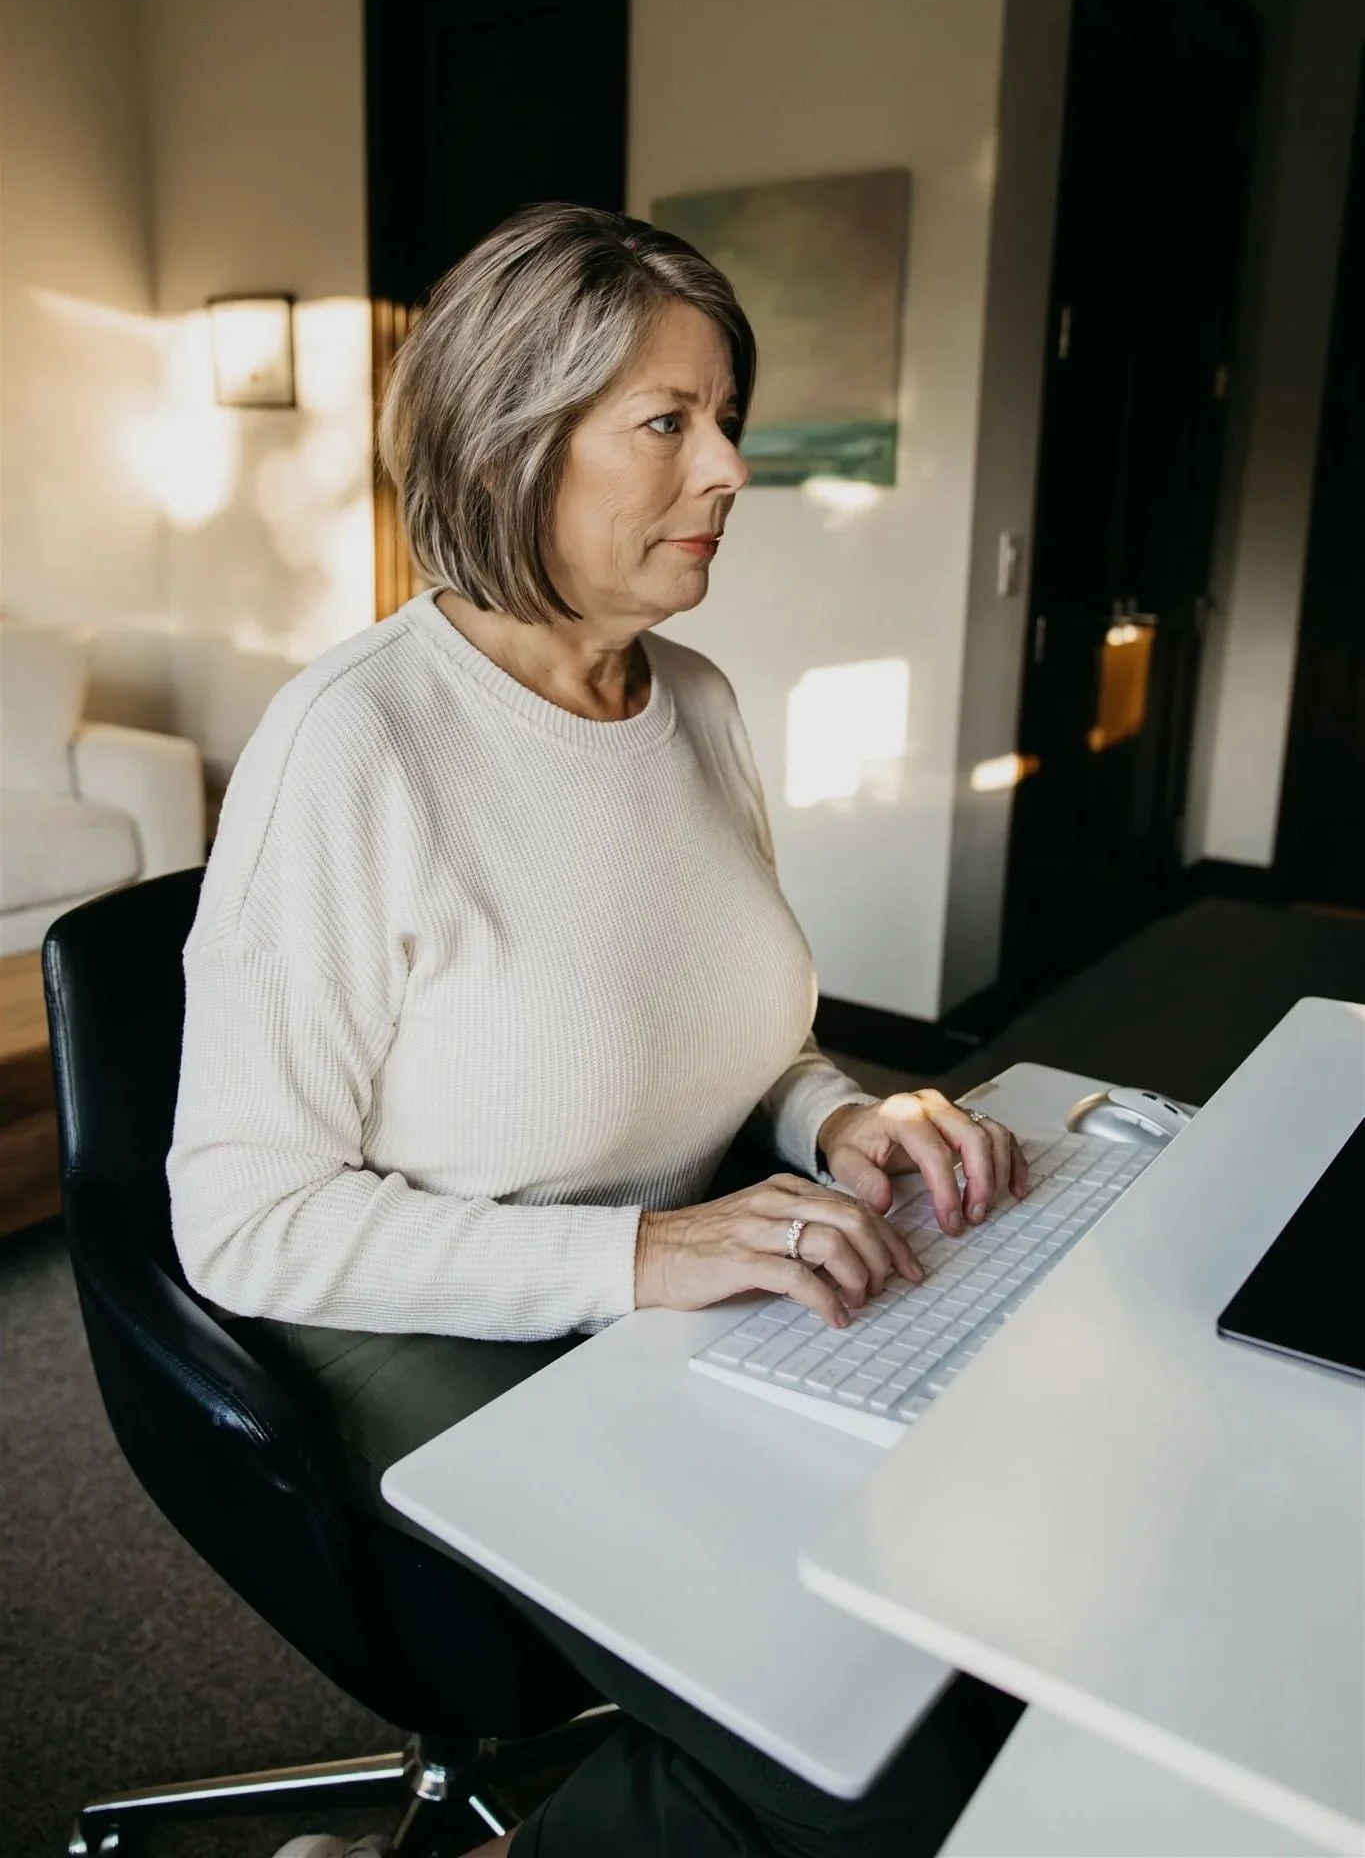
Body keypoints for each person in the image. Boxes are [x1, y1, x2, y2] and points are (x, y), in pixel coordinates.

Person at [166, 202, 1027, 1857]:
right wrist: (644, 1262)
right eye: (669, 423)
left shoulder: (691, 700)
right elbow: (248, 1219)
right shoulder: (355, 746)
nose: (729, 471)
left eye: (727, 420)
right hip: (437, 1322)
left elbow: (724, 1038)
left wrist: (835, 1118)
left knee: (980, 1605)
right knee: (876, 1766)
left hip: (684, 1282)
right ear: (511, 444)